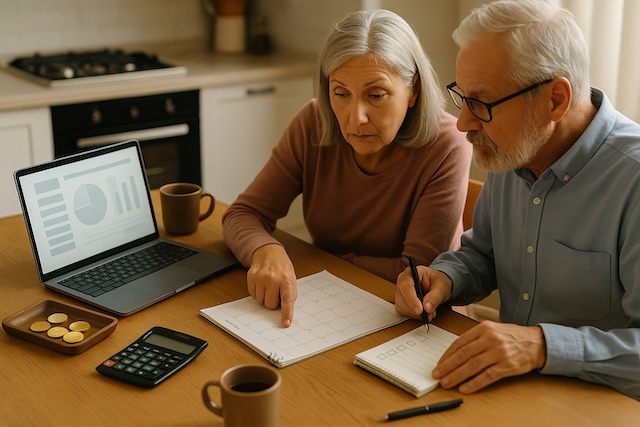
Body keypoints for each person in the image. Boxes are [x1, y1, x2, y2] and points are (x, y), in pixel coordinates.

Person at [395, 0, 640, 399]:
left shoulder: (633, 180)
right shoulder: (513, 150)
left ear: (556, 100)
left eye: (482, 104)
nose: (463, 124)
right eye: (463, 97)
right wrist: (446, 278)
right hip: (506, 393)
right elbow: (485, 256)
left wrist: (541, 346)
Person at [222, 9, 472, 328]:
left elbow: (413, 274)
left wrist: (313, 260)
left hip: (418, 321)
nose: (356, 118)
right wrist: (265, 249)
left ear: (414, 91)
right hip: (329, 304)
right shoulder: (313, 122)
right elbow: (243, 213)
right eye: (341, 93)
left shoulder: (448, 143)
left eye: (376, 95)